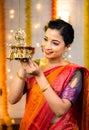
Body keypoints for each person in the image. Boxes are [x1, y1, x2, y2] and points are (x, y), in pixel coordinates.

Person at [8, 19, 89, 130]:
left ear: (67, 46)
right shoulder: (34, 65)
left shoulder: (74, 72)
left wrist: (40, 76)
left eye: (55, 43)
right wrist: (23, 67)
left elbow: (60, 110)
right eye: (45, 39)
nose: (47, 46)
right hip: (31, 125)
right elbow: (12, 100)